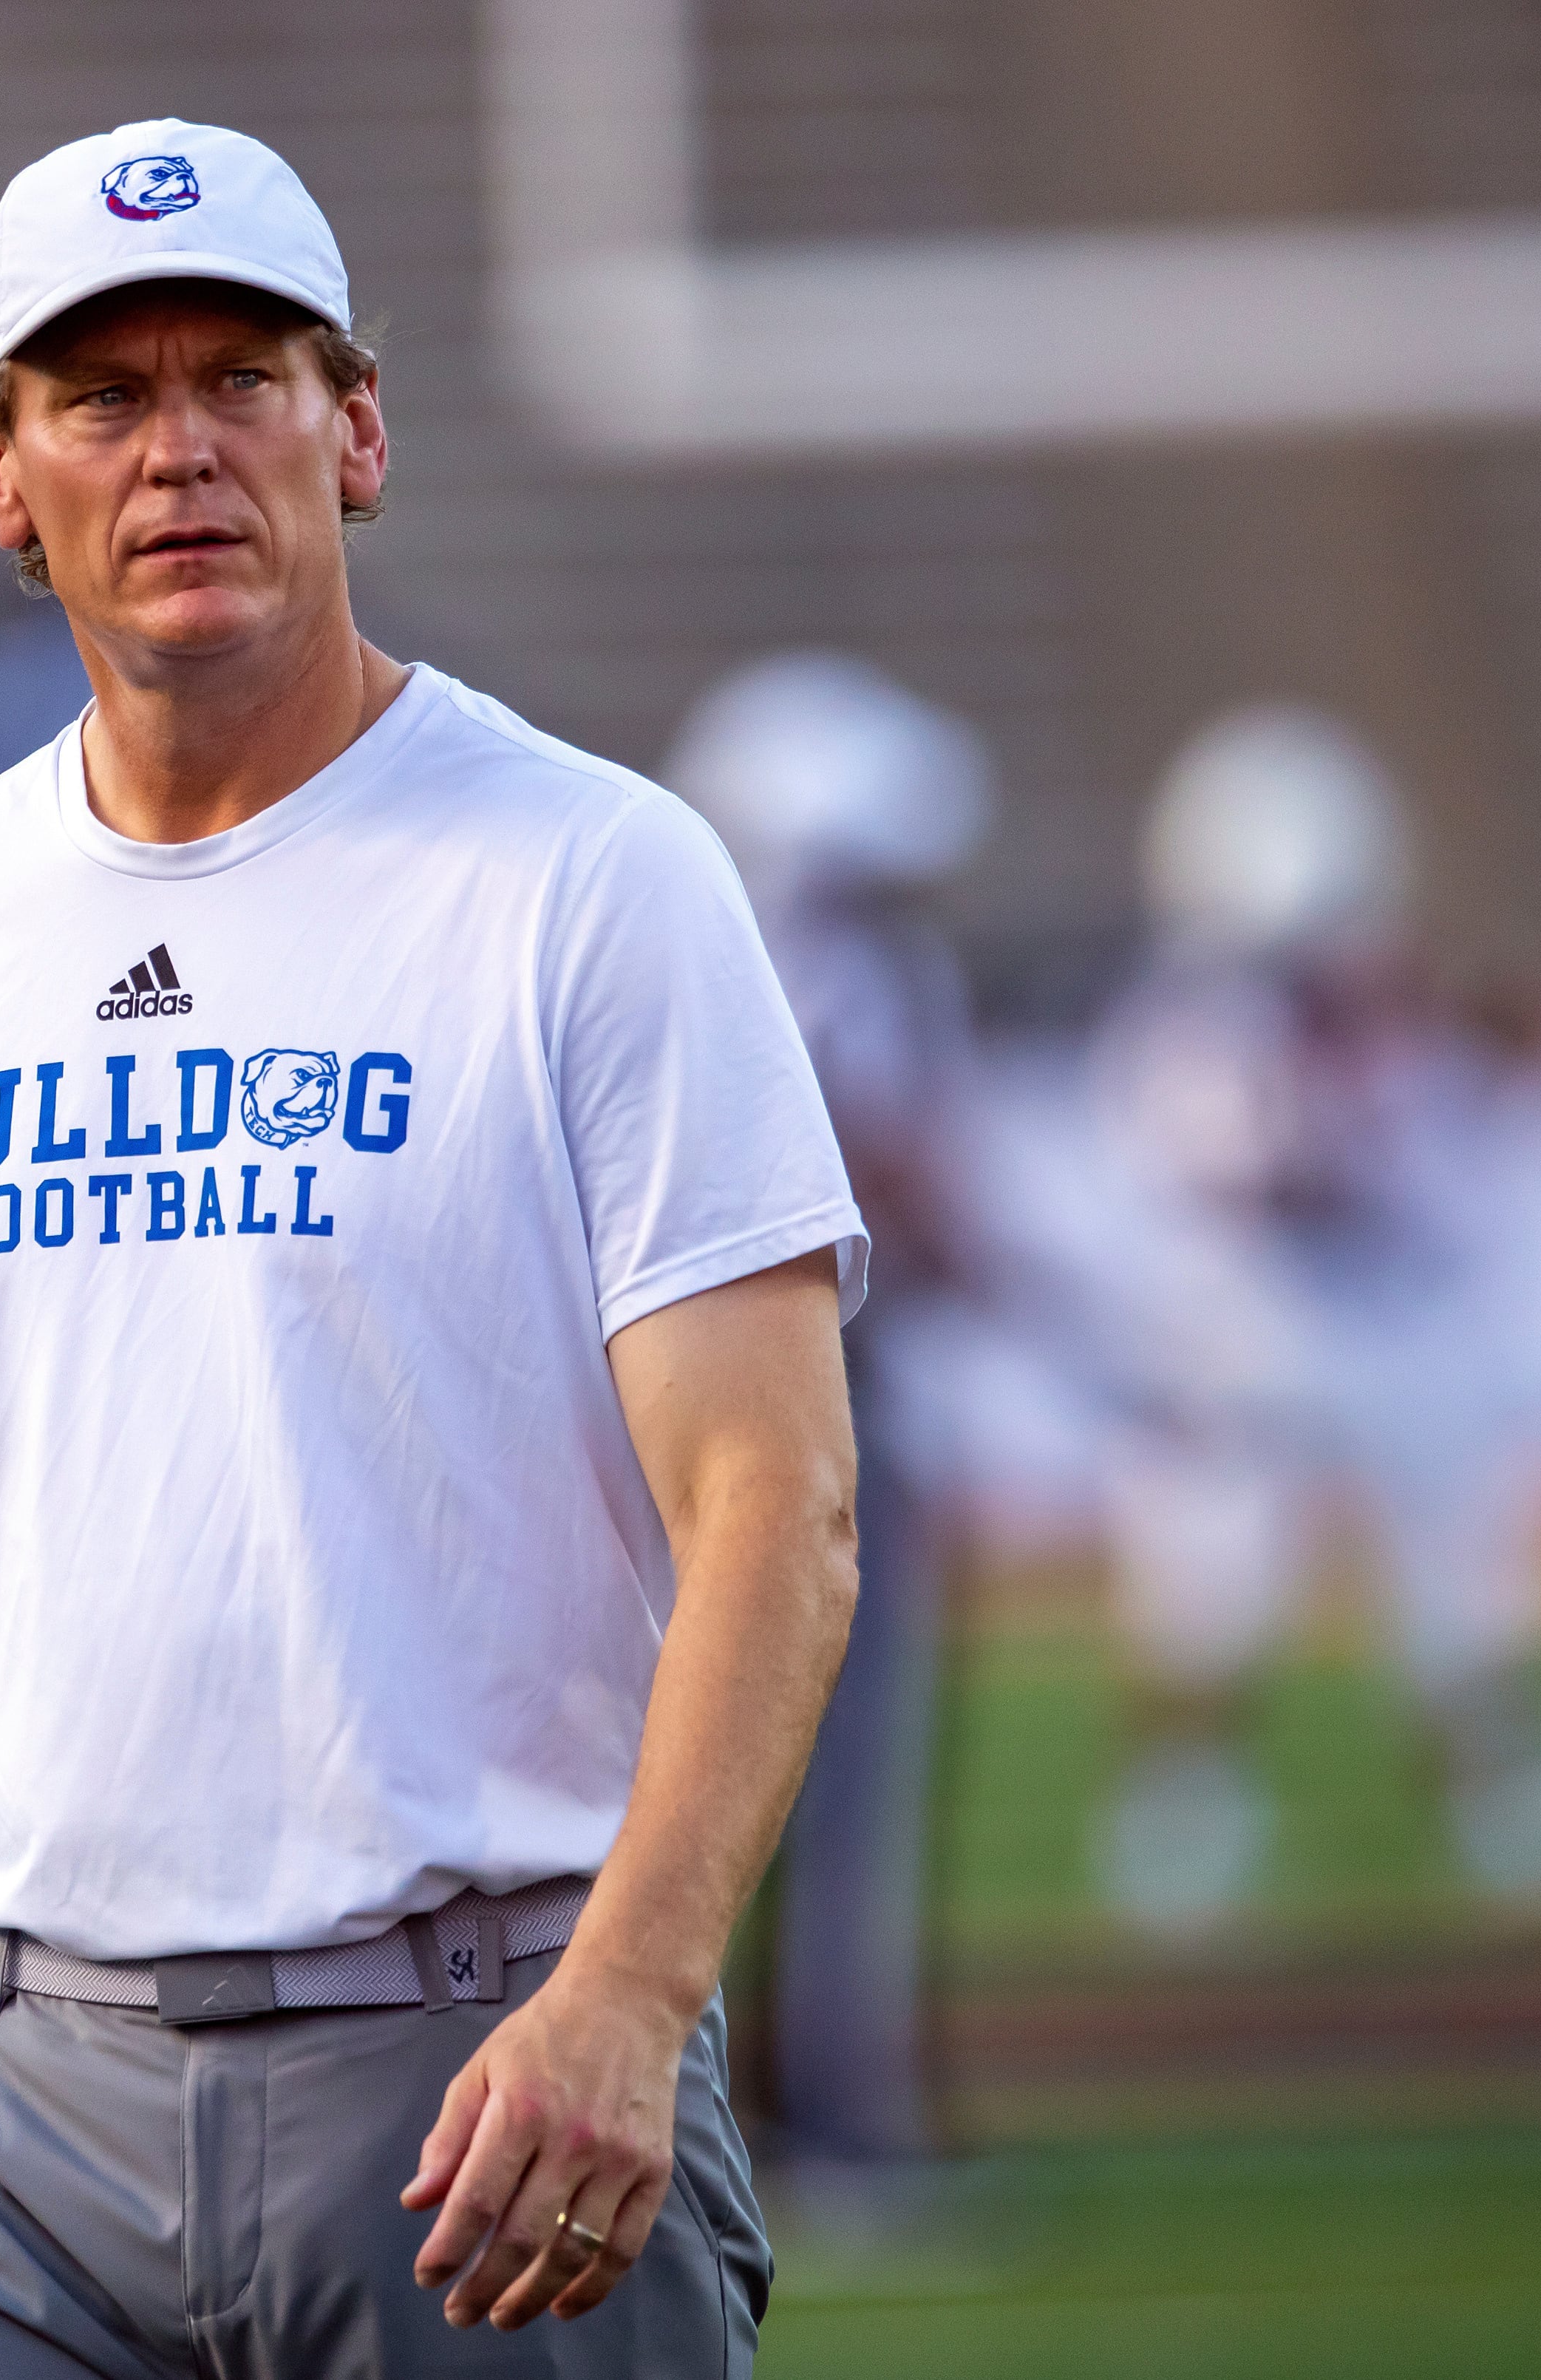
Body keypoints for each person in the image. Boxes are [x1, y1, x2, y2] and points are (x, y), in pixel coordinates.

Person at [0, 120, 866, 2372]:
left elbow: (780, 1499)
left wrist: (630, 1993)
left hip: (479, 2078)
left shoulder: (591, 877)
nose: (179, 449)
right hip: (8, 2113)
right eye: (102, 396)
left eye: (240, 379)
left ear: (353, 430)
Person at [1080, 707, 1541, 1934]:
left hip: (1385, 1334)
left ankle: (1504, 1807)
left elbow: (1467, 1104)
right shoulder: (1196, 1027)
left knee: (1457, 1578)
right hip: (1254, 1333)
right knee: (1209, 1598)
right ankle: (1179, 1838)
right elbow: (1246, 1177)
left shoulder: (1384, 1008)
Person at [670, 651, 991, 2172]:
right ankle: (839, 2113)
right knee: (840, 1775)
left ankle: (749, 2100)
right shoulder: (833, 973)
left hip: (676, 1406)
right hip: (818, 1403)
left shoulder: (674, 956)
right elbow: (891, 1183)